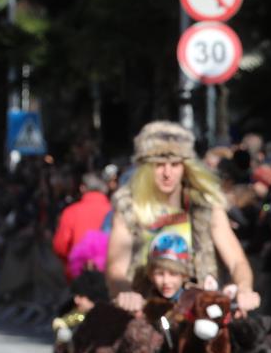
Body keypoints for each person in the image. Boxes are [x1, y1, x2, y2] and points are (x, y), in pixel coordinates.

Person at [106, 122, 260, 317]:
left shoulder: (205, 204)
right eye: (159, 165)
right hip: (147, 312)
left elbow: (237, 261)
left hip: (200, 314)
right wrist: (125, 292)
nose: (168, 173)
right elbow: (116, 267)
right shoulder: (129, 207)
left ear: (186, 166)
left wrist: (244, 288)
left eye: (175, 164)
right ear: (145, 168)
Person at [52, 173, 112, 280]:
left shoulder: (71, 212)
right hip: (110, 273)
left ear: (83, 188)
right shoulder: (114, 211)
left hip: (80, 274)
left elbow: (60, 246)